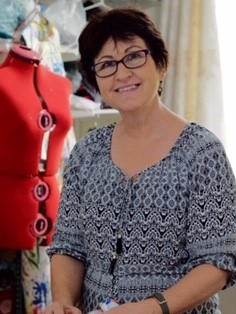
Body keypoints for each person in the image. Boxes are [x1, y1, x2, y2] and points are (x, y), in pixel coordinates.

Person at [44, 7, 236, 314]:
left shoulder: (201, 153)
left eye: (133, 56)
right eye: (106, 64)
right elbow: (69, 246)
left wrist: (152, 307)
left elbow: (218, 261)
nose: (121, 73)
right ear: (96, 80)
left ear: (161, 63)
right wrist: (63, 301)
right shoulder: (87, 152)